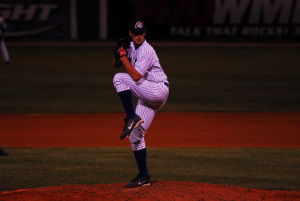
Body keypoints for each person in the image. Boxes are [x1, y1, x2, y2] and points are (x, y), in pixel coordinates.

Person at [112, 19, 169, 188]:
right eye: (136, 33)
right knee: (136, 135)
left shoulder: (146, 50)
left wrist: (123, 58)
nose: (139, 36)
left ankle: (131, 116)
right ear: (131, 33)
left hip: (158, 89)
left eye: (142, 33)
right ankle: (144, 177)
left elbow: (136, 76)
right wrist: (117, 55)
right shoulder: (130, 46)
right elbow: (116, 65)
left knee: (119, 78)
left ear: (145, 33)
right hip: (148, 93)